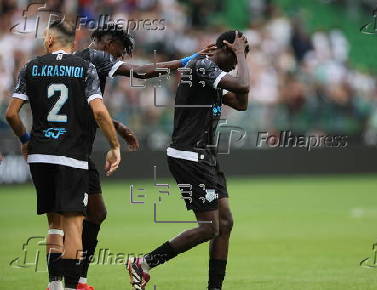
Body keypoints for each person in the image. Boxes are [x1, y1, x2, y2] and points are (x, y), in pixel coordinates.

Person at [74, 23, 215, 290]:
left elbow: (80, 106)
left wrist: (114, 125)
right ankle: (63, 282)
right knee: (70, 218)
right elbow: (142, 72)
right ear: (106, 42)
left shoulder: (79, 61)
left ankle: (78, 280)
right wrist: (188, 59)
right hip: (72, 151)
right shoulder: (98, 56)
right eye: (120, 50)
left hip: (79, 149)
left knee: (95, 212)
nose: (119, 57)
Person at [126, 30, 250, 290]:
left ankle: (214, 288)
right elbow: (243, 86)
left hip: (206, 156)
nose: (237, 64)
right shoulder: (202, 65)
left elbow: (241, 103)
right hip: (189, 155)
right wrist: (240, 54)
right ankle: (143, 263)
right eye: (236, 55)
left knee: (225, 222)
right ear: (225, 47)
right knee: (209, 228)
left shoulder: (210, 73)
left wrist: (239, 56)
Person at [5, 20, 121, 290]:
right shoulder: (84, 68)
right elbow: (100, 112)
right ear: (74, 43)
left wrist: (25, 139)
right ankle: (71, 287)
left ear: (48, 40)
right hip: (71, 156)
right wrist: (115, 146)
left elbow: (11, 113)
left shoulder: (31, 67)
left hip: (40, 155)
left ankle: (54, 286)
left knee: (54, 225)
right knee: (73, 226)